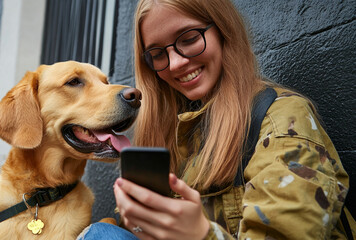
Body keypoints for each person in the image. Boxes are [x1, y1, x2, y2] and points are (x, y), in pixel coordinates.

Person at [78, 0, 352, 239]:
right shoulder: (171, 133)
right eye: (158, 54)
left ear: (222, 29)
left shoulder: (281, 119)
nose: (174, 64)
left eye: (188, 39)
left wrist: (199, 234)